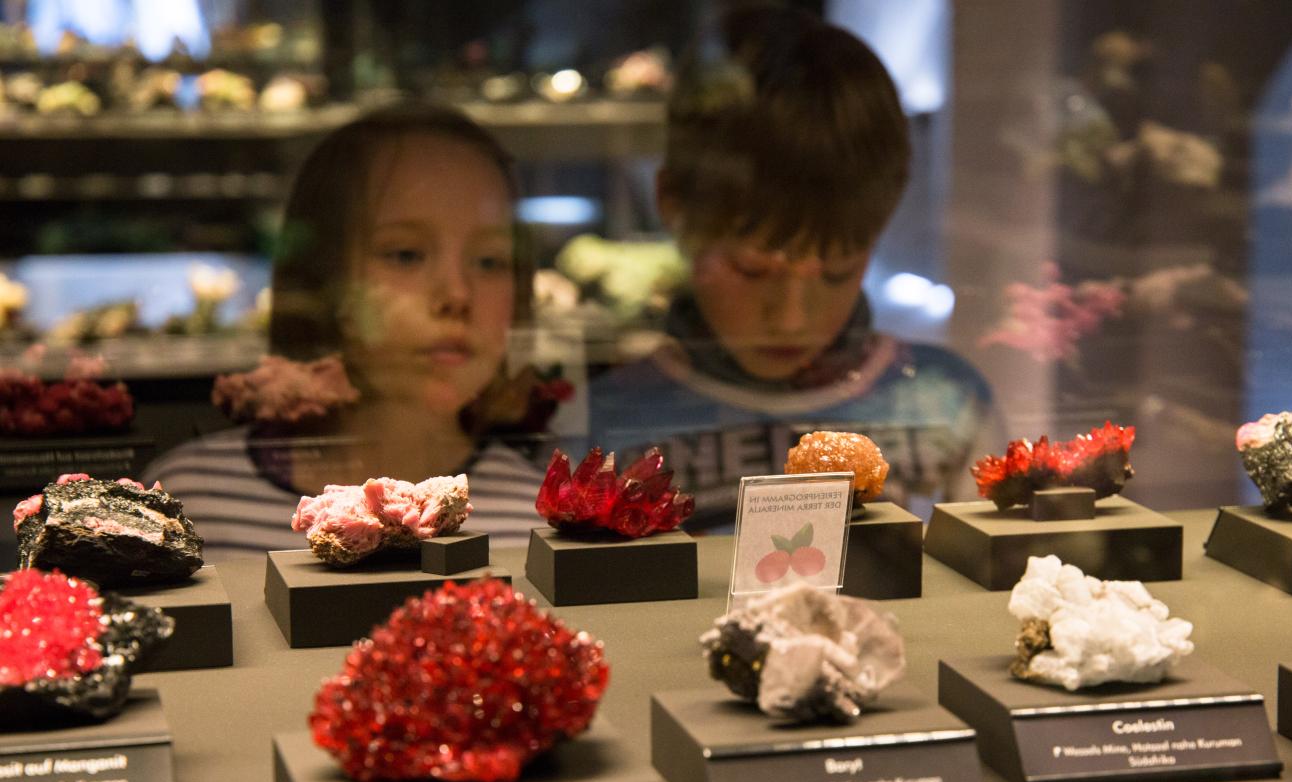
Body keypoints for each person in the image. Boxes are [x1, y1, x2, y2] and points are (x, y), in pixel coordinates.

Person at [585, 5, 995, 530]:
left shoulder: (945, 405)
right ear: (672, 207)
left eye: (838, 271)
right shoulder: (607, 426)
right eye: (753, 269)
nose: (792, 319)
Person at [147, 102, 543, 557]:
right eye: (405, 254)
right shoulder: (189, 504)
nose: (457, 294)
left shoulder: (536, 517)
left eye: (491, 260)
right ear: (324, 281)